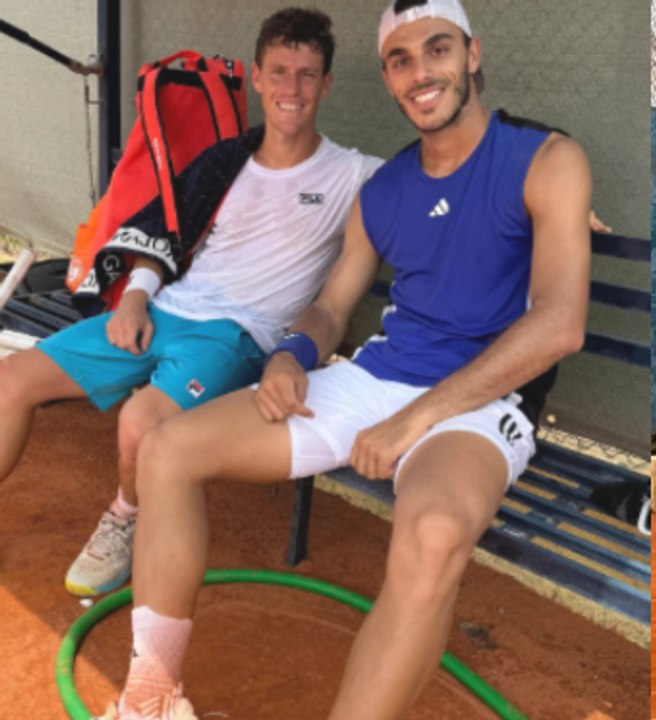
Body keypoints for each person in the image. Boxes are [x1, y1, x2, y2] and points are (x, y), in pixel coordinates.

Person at [99, 0, 593, 717]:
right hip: (374, 381)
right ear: (388, 79)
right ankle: (151, 696)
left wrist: (415, 419)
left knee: (429, 538)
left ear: (473, 55)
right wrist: (291, 357)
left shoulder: (546, 158)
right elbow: (331, 308)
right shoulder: (382, 189)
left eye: (438, 49)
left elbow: (558, 325)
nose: (421, 72)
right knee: (168, 449)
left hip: (484, 405)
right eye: (401, 59)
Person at [0, 8, 383, 599]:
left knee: (139, 421)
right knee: (12, 377)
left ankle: (125, 517)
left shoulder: (354, 173)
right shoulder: (225, 159)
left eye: (307, 75)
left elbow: (447, 174)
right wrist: (132, 299)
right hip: (163, 311)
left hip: (236, 336)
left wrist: (544, 188)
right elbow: (163, 238)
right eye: (279, 72)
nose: (292, 89)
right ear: (256, 78)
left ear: (327, 84)